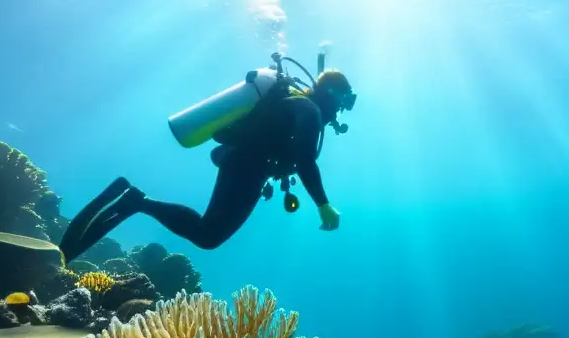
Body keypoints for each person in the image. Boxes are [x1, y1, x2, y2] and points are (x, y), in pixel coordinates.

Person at [59, 69, 356, 263]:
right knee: (208, 235)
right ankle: (137, 201)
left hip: (242, 161)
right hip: (248, 165)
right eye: (344, 102)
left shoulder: (294, 101)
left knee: (208, 234)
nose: (341, 110)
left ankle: (136, 201)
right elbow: (304, 157)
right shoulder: (309, 109)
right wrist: (323, 204)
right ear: (331, 95)